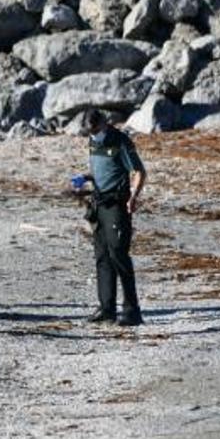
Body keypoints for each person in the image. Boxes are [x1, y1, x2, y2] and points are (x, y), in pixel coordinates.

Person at [76, 110, 146, 325]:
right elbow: (101, 169)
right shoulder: (92, 141)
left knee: (119, 255)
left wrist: (133, 197)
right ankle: (106, 307)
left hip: (117, 205)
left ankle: (131, 310)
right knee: (102, 257)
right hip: (99, 204)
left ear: (104, 123)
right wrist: (85, 178)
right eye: (90, 131)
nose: (93, 134)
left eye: (96, 130)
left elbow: (139, 172)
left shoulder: (121, 141)